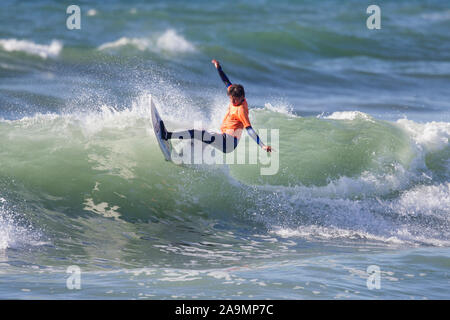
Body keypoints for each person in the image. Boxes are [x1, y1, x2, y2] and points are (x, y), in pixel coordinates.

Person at [160, 59, 272, 153]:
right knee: (200, 133)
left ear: (241, 97)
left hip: (228, 142)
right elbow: (226, 82)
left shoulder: (241, 110)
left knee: (197, 133)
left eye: (234, 99)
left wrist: (262, 146)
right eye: (231, 98)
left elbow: (250, 130)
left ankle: (167, 135)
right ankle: (184, 156)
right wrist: (219, 68)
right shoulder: (234, 92)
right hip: (224, 137)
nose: (232, 101)